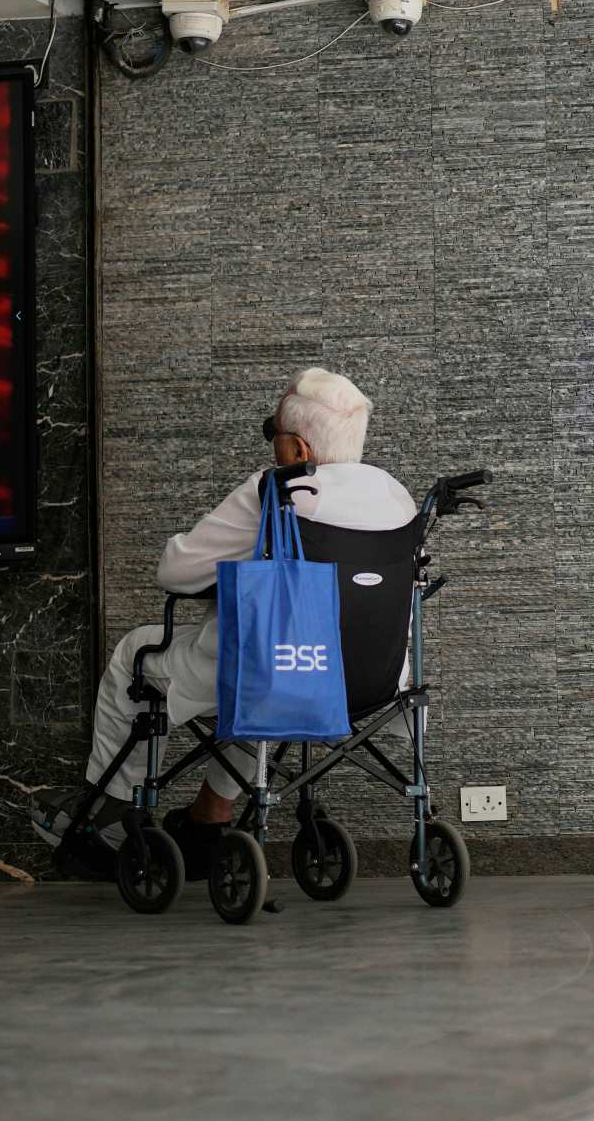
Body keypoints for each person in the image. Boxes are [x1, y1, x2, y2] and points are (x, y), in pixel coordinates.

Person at [34, 368, 417, 874]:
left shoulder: (277, 490)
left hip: (282, 669)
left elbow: (175, 571)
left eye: (273, 434)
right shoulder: (397, 498)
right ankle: (209, 815)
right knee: (261, 673)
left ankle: (112, 810)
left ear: (297, 449)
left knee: (139, 654)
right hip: (376, 680)